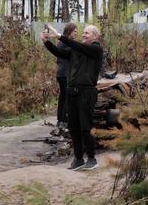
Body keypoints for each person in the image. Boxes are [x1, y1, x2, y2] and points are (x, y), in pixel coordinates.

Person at [42, 24, 103, 171]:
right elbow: (60, 53)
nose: (83, 35)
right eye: (84, 33)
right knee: (73, 127)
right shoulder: (77, 49)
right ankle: (78, 159)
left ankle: (92, 159)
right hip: (73, 92)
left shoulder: (96, 49)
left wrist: (60, 36)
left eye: (87, 33)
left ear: (95, 36)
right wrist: (46, 42)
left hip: (86, 93)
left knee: (85, 127)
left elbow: (79, 46)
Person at [54, 23, 78, 130]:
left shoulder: (61, 42)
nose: (76, 33)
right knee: (67, 97)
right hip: (65, 73)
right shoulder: (67, 44)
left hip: (60, 73)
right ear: (69, 32)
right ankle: (64, 121)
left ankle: (60, 120)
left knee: (63, 96)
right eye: (74, 31)